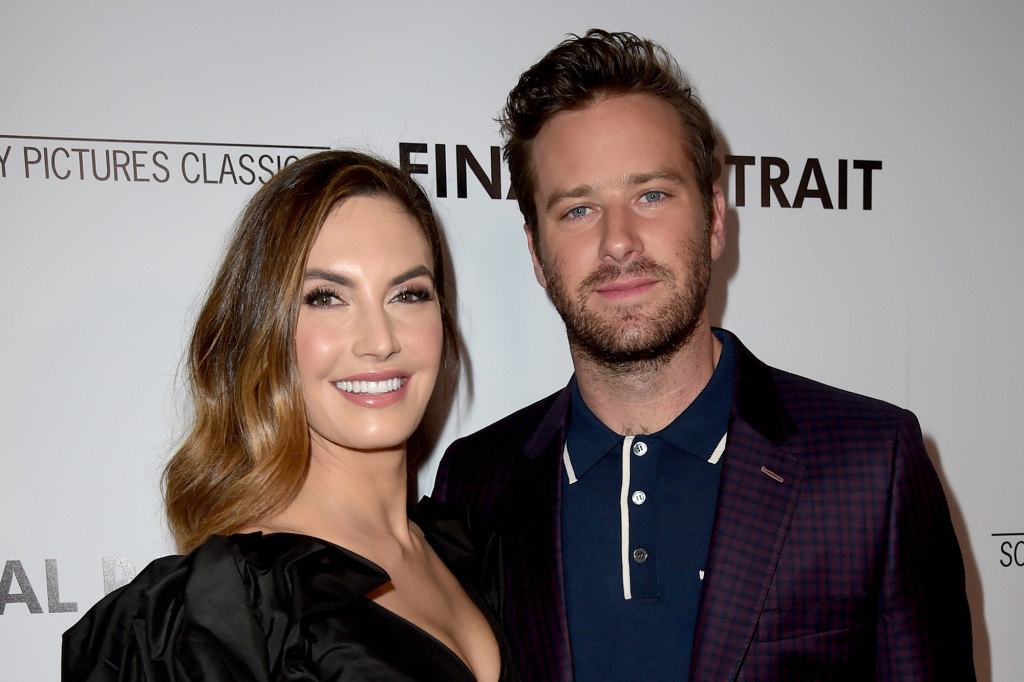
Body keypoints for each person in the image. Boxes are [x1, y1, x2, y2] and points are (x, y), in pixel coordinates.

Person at [433, 29, 976, 681]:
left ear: (715, 218)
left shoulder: (870, 463)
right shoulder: (475, 483)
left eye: (651, 196)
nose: (617, 242)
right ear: (536, 254)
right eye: (578, 210)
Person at [63, 150, 517, 682]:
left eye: (408, 294)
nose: (380, 341)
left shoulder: (477, 552)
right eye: (326, 298)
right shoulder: (216, 617)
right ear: (265, 330)